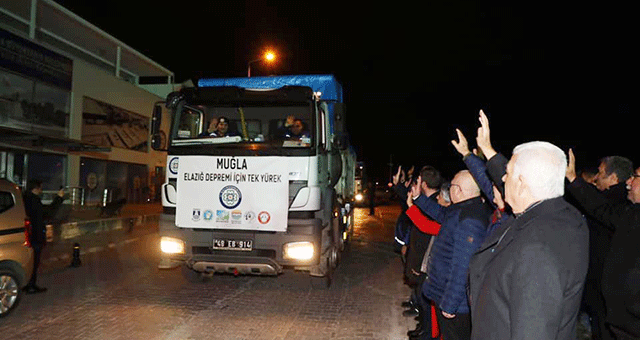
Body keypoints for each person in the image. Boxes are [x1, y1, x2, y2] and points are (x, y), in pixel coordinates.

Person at [468, 140, 589, 340]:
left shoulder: (536, 250)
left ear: (522, 184)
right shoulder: (564, 217)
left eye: (507, 173)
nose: (503, 178)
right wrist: (489, 151)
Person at [566, 150, 640, 339]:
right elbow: (601, 209)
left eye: (635, 178)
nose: (629, 183)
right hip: (618, 319)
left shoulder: (621, 205)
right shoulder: (629, 213)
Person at [413, 169, 492, 340]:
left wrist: (450, 304)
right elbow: (440, 213)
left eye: (451, 188)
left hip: (455, 304)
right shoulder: (463, 209)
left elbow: (463, 267)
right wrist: (418, 198)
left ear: (458, 190)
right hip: (445, 296)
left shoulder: (471, 219)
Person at [22, 179, 65, 294]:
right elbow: (48, 213)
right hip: (35, 235)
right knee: (35, 261)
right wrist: (59, 198)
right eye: (40, 188)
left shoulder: (25, 199)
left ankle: (28, 283)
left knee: (30, 260)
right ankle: (31, 285)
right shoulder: (34, 200)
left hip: (29, 234)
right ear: (35, 188)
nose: (41, 190)